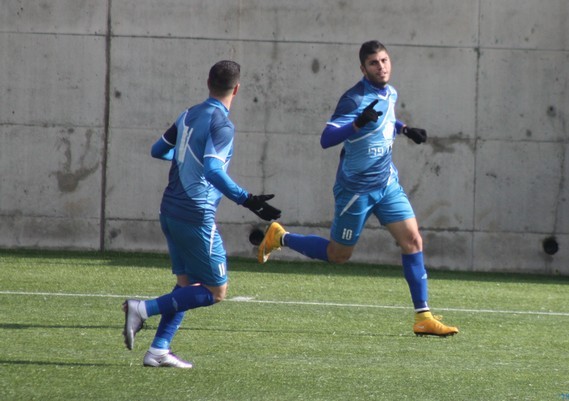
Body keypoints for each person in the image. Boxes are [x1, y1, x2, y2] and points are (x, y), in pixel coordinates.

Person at [258, 40, 458, 337]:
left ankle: (423, 316)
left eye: (385, 60)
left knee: (413, 241)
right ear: (363, 68)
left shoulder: (390, 92)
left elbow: (385, 118)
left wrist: (404, 129)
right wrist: (356, 125)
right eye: (374, 63)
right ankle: (280, 237)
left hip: (387, 184)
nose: (381, 67)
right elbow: (326, 139)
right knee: (338, 254)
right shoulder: (353, 99)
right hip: (355, 191)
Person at [122, 60, 281, 368]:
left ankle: (158, 350)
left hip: (169, 210)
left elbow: (157, 150)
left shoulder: (188, 114)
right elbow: (212, 170)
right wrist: (247, 199)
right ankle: (142, 309)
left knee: (186, 284)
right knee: (216, 291)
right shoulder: (222, 124)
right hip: (195, 215)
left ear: (208, 83)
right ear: (237, 89)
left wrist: (183, 159)